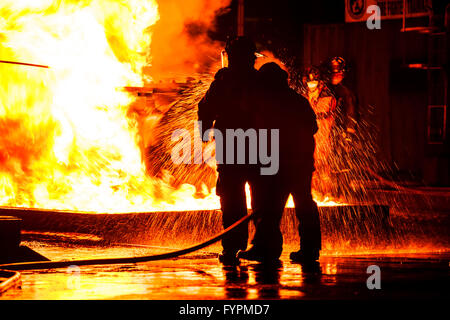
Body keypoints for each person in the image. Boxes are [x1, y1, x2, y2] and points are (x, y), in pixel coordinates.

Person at [237, 62, 321, 263]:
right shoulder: (298, 101)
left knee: (267, 207)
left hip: (276, 164)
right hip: (299, 165)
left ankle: (266, 248)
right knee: (303, 205)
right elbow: (313, 127)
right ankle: (309, 250)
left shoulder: (263, 103)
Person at [197, 36, 260, 265]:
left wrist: (204, 133)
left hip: (231, 146)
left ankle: (233, 247)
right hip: (259, 145)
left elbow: (205, 107)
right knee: (262, 197)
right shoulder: (260, 81)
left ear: (230, 57)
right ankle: (263, 246)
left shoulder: (222, 81)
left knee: (232, 198)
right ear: (251, 58)